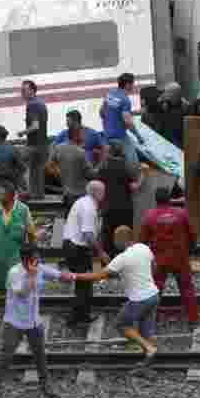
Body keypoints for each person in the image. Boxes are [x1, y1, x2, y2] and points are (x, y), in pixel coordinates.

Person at [70, 226, 160, 366]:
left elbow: (98, 276)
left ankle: (149, 348)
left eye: (114, 239)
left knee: (121, 324)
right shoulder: (143, 248)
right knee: (145, 330)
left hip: (139, 299)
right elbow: (154, 266)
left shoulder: (122, 258)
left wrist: (75, 276)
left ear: (120, 239)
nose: (113, 242)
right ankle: (148, 359)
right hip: (154, 294)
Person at [0, 245, 65, 398]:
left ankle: (45, 383)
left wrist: (71, 277)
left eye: (38, 259)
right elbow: (22, 294)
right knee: (7, 352)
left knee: (39, 353)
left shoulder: (38, 267)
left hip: (34, 321)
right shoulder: (14, 273)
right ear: (25, 260)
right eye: (34, 259)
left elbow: (57, 274)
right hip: (15, 321)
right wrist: (31, 276)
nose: (38, 262)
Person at [140, 187, 200, 324]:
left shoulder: (149, 216)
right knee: (186, 288)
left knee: (155, 288)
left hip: (159, 258)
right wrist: (190, 250)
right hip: (180, 257)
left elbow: (143, 240)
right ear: (170, 199)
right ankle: (193, 318)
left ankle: (150, 318)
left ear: (155, 200)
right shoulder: (181, 213)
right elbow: (192, 234)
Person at [61, 181, 110, 326]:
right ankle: (78, 317)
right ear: (96, 192)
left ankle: (81, 315)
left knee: (83, 283)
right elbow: (88, 234)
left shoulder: (83, 202)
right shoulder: (89, 207)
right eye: (103, 191)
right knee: (84, 283)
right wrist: (100, 253)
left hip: (71, 245)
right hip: (77, 248)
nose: (105, 194)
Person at [0, 181, 37, 294]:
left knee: (15, 280)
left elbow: (31, 232)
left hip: (16, 254)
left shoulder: (23, 209)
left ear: (11, 196)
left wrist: (32, 251)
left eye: (2, 194)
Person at [95, 142, 142, 259]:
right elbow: (134, 187)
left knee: (108, 238)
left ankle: (108, 266)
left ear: (109, 152)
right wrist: (143, 175)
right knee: (125, 237)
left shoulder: (103, 167)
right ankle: (125, 264)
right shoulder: (126, 165)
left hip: (108, 208)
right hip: (125, 208)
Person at [51, 110, 98, 212]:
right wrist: (100, 168)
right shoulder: (80, 151)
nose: (67, 124)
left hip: (68, 191)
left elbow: (51, 161)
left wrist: (58, 173)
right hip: (81, 190)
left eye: (68, 121)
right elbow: (91, 174)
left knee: (70, 217)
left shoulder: (91, 134)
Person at [101, 73, 146, 169]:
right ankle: (136, 179)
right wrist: (138, 136)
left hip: (107, 134)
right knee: (133, 160)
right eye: (132, 84)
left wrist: (134, 113)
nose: (133, 86)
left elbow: (102, 112)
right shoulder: (125, 100)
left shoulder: (110, 94)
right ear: (127, 85)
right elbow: (128, 122)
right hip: (120, 136)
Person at [16, 80, 49, 199]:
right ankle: (38, 197)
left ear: (32, 91)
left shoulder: (32, 105)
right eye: (21, 91)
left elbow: (35, 126)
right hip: (43, 145)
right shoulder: (41, 103)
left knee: (15, 164)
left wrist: (22, 132)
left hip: (33, 145)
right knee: (37, 173)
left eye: (24, 90)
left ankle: (24, 192)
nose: (22, 93)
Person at [158, 82, 189, 149]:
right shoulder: (165, 104)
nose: (165, 95)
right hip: (167, 139)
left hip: (179, 140)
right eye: (165, 93)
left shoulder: (185, 107)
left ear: (176, 94)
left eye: (168, 93)